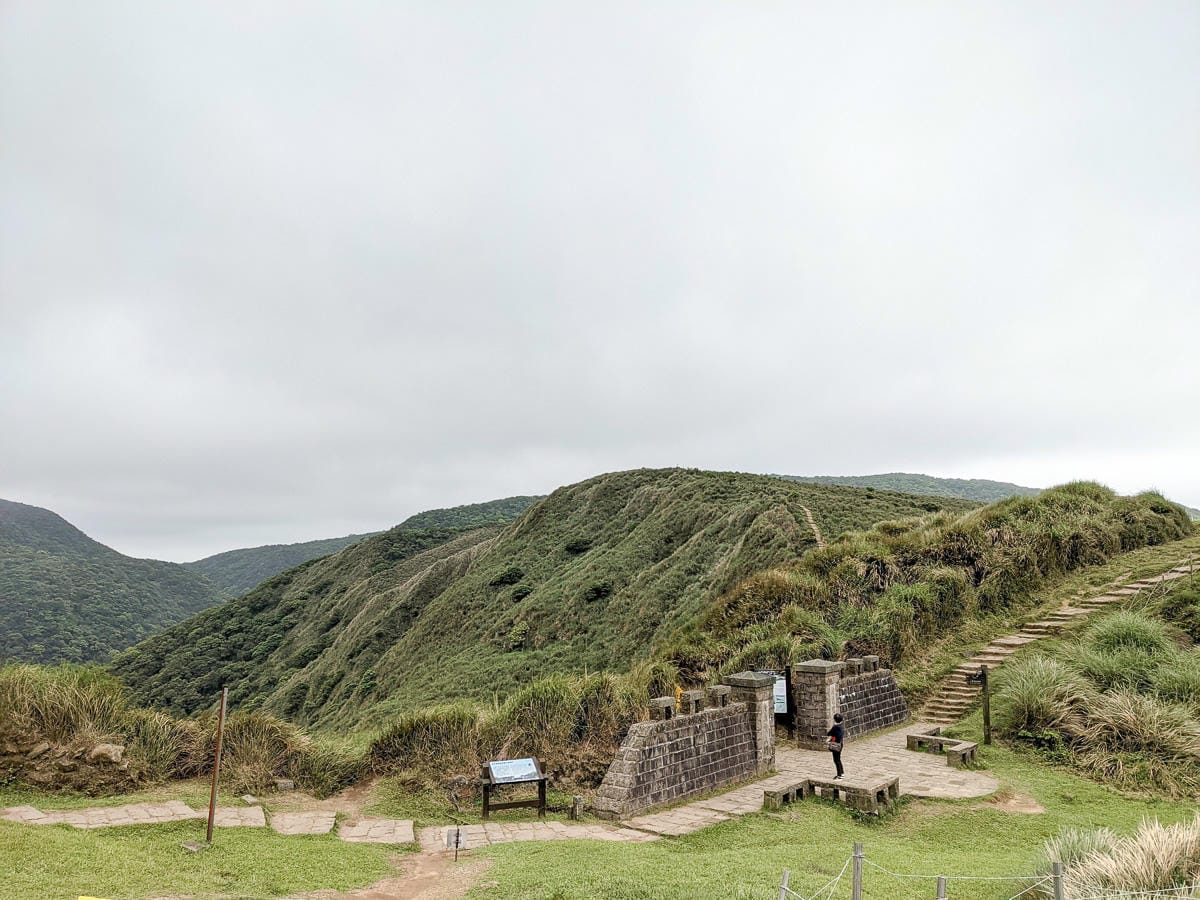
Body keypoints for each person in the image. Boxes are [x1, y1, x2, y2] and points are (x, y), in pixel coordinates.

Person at [827, 713, 845, 780]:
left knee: (836, 760)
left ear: (834, 720)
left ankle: (839, 775)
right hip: (840, 744)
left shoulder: (836, 727)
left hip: (835, 745)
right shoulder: (841, 726)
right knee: (838, 759)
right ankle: (842, 773)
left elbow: (829, 733)